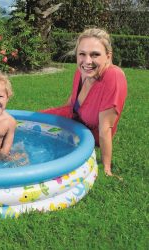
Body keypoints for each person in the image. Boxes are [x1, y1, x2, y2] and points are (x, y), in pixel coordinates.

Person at [40, 28, 127, 177]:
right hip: (74, 117)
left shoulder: (113, 77)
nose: (87, 61)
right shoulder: (81, 72)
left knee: (53, 151)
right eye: (82, 54)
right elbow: (72, 102)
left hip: (91, 133)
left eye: (95, 54)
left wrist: (107, 169)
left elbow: (105, 129)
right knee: (33, 121)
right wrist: (58, 116)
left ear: (108, 56)